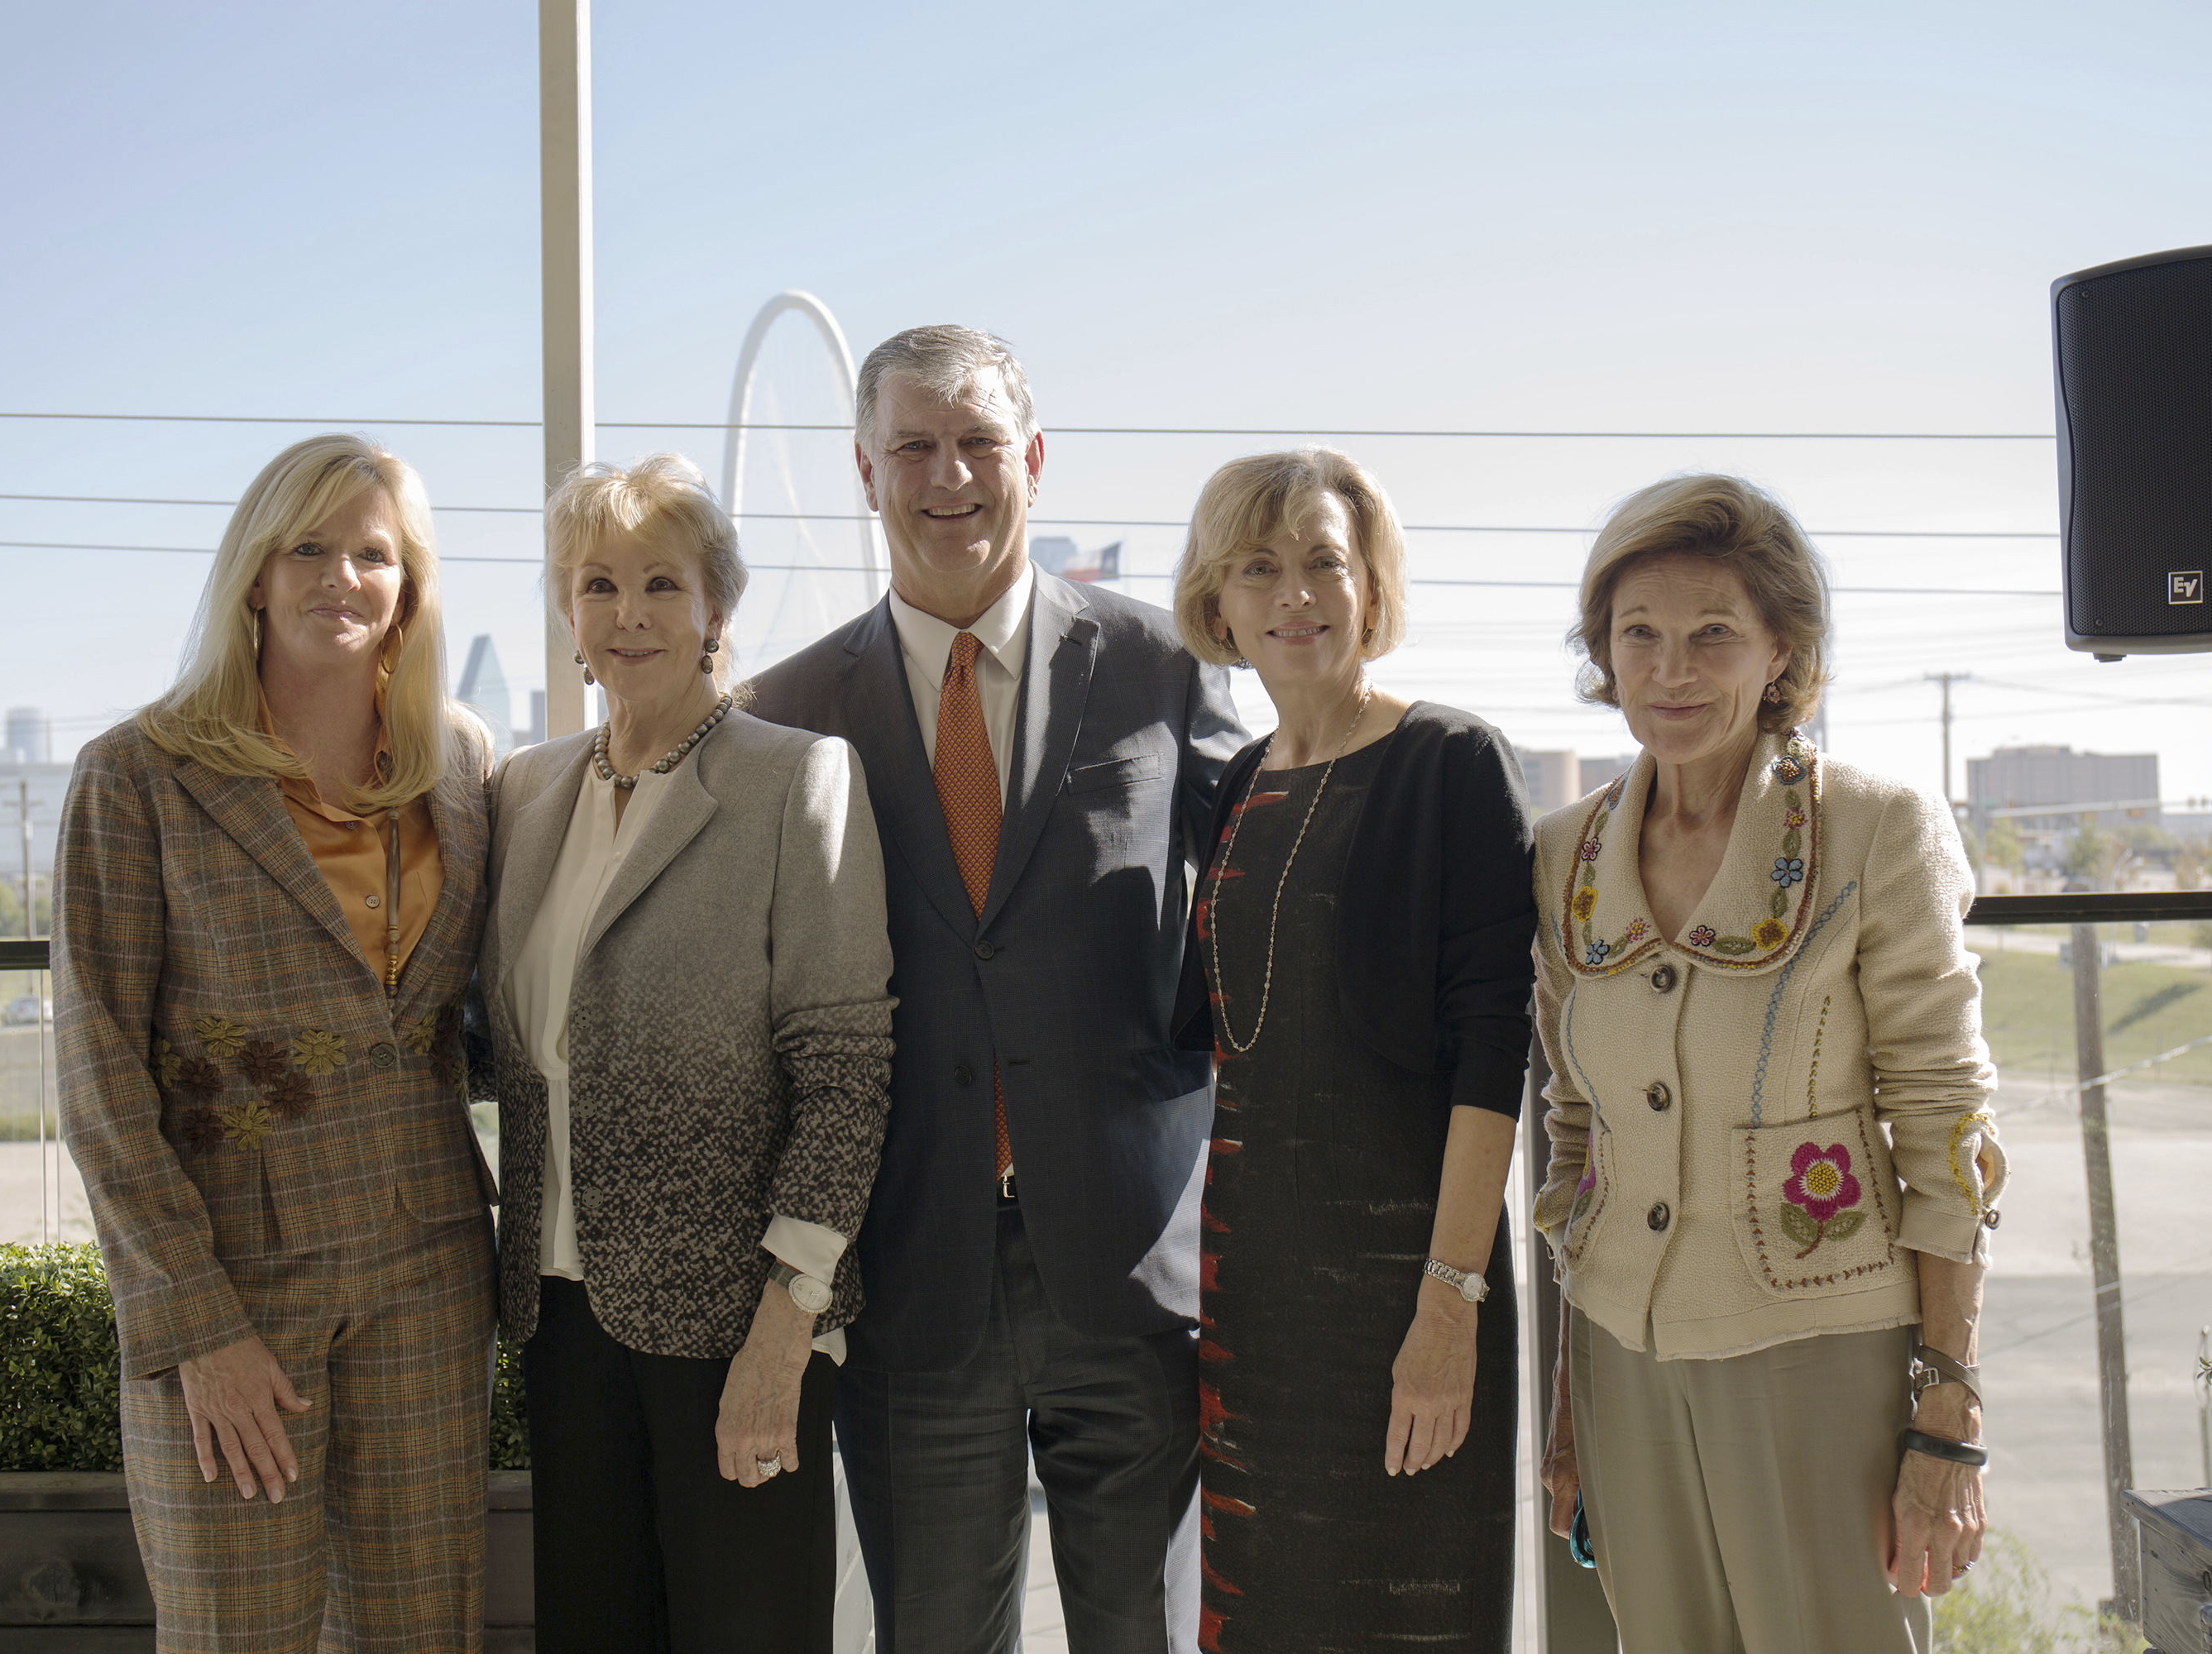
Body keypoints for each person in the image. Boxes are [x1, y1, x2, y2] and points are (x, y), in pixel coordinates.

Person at [750, 325, 1246, 1654]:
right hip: (914, 1279)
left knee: (1144, 1634)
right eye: (914, 446)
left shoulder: (1166, 667)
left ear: (1033, 460)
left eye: (977, 443)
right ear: (865, 472)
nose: (948, 475)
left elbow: (1275, 882)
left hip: (1135, 1270)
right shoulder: (787, 713)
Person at [1530, 473, 2009, 1653]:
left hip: (1820, 1357)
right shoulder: (1562, 856)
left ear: (1781, 650)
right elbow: (1576, 1130)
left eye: (1712, 636)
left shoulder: (1873, 828)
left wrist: (1946, 1415)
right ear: (1604, 652)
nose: (1671, 669)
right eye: (1637, 634)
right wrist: (1568, 1401)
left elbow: (1949, 1127)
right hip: (1618, 1361)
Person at [55, 433, 498, 1651]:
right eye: (309, 546)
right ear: (254, 573)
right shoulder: (136, 778)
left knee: (423, 1632)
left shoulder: (457, 765)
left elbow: (490, 1015)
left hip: (431, 1274)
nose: (339, 577)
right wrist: (200, 1328)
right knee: (234, 1633)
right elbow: (99, 1085)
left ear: (410, 586)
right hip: (236, 1288)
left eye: (374, 553)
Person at [477, 454, 895, 1653]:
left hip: (740, 1321)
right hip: (560, 1315)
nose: (631, 615)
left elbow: (847, 1071)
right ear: (569, 614)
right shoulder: (523, 792)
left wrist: (786, 1324)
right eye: (599, 585)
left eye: (664, 583)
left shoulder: (793, 780)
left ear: (718, 607)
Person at [1164, 448, 1533, 1652]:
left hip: (1406, 1297)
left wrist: (1448, 1307)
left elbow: (1494, 1054)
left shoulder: (1451, 763)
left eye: (1325, 560)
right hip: (1252, 1297)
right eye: (1258, 568)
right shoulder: (1230, 786)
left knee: (1407, 1611)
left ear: (1372, 587)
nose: (1295, 595)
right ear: (1219, 604)